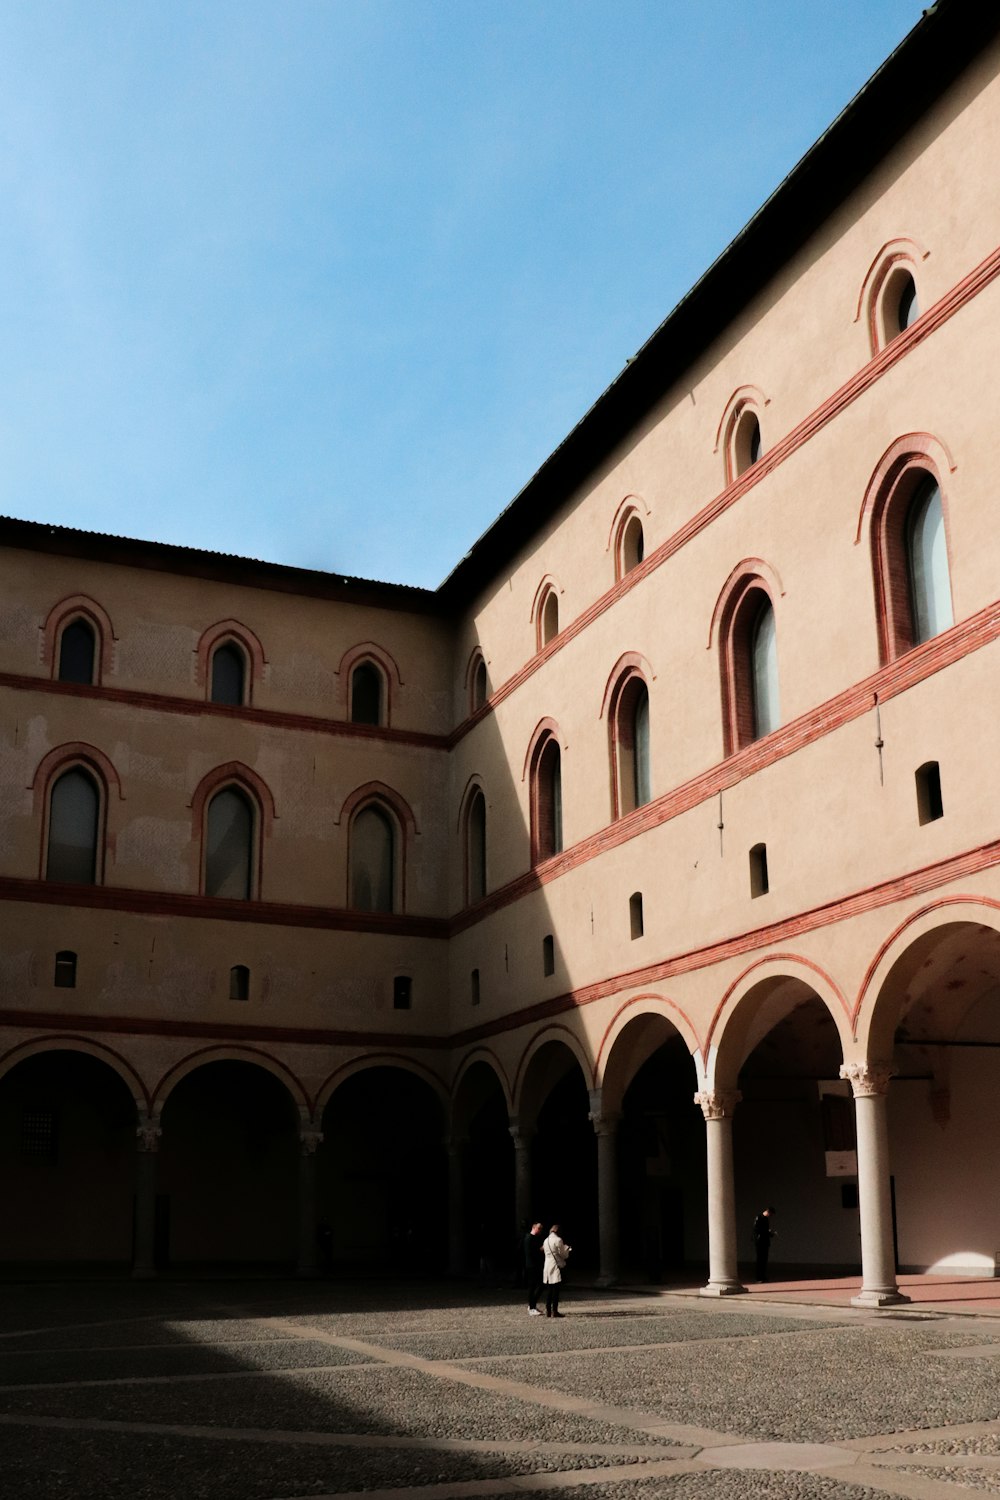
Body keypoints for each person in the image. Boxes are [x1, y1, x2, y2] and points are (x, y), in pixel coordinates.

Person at [542, 1223, 571, 1317]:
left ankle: (548, 1310)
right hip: (555, 1267)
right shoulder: (558, 1240)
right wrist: (567, 1249)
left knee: (549, 1290)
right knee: (556, 1290)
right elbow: (563, 1255)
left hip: (547, 1266)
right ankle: (555, 1310)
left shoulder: (546, 1240)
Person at [523, 1221, 545, 1315]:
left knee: (538, 1285)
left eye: (541, 1229)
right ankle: (531, 1307)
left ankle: (532, 1305)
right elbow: (531, 1253)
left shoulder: (533, 1238)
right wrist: (541, 1249)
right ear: (534, 1227)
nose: (540, 1230)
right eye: (539, 1228)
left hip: (533, 1265)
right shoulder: (529, 1238)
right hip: (532, 1266)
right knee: (534, 1286)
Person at [753, 1206, 776, 1282]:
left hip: (764, 1241)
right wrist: (768, 1232)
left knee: (764, 1260)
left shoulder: (765, 1219)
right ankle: (759, 1277)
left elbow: (764, 1230)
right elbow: (757, 1229)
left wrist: (770, 1233)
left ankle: (763, 1276)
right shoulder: (759, 1218)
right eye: (771, 1214)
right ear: (768, 1212)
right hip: (760, 1242)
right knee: (760, 1260)